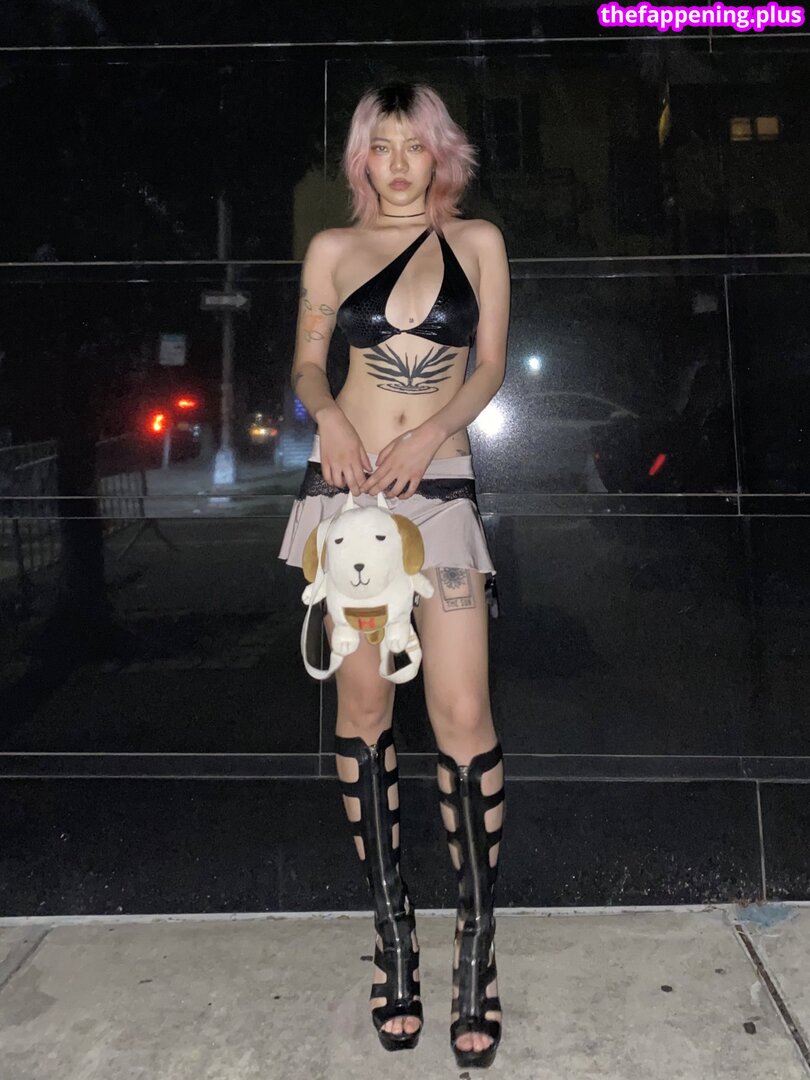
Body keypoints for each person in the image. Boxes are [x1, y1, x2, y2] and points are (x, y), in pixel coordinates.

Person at [278, 80, 511, 1069]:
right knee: (364, 710)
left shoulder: (479, 242)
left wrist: (433, 433)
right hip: (351, 505)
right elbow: (307, 364)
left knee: (463, 715)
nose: (403, 163)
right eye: (385, 146)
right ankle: (393, 940)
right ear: (362, 159)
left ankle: (476, 949)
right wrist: (329, 415)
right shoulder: (333, 250)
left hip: (441, 493)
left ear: (442, 153)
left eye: (419, 145)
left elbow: (489, 364)